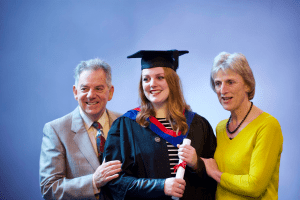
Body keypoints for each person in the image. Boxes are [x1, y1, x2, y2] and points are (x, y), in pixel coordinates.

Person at [103, 50, 217, 200]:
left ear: (172, 81)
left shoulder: (198, 125)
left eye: (160, 77)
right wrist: (160, 186)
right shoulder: (125, 126)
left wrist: (197, 164)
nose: (152, 84)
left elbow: (214, 179)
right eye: (146, 79)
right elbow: (114, 182)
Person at [201, 52, 283, 199]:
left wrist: (215, 174)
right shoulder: (220, 128)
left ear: (247, 84)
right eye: (218, 83)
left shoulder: (267, 126)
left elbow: (254, 186)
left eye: (230, 82)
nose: (222, 90)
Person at [39, 58, 122, 199]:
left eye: (98, 88)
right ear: (75, 92)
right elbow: (49, 188)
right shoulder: (56, 130)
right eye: (84, 88)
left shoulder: (125, 123)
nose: (90, 95)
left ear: (111, 92)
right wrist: (93, 182)